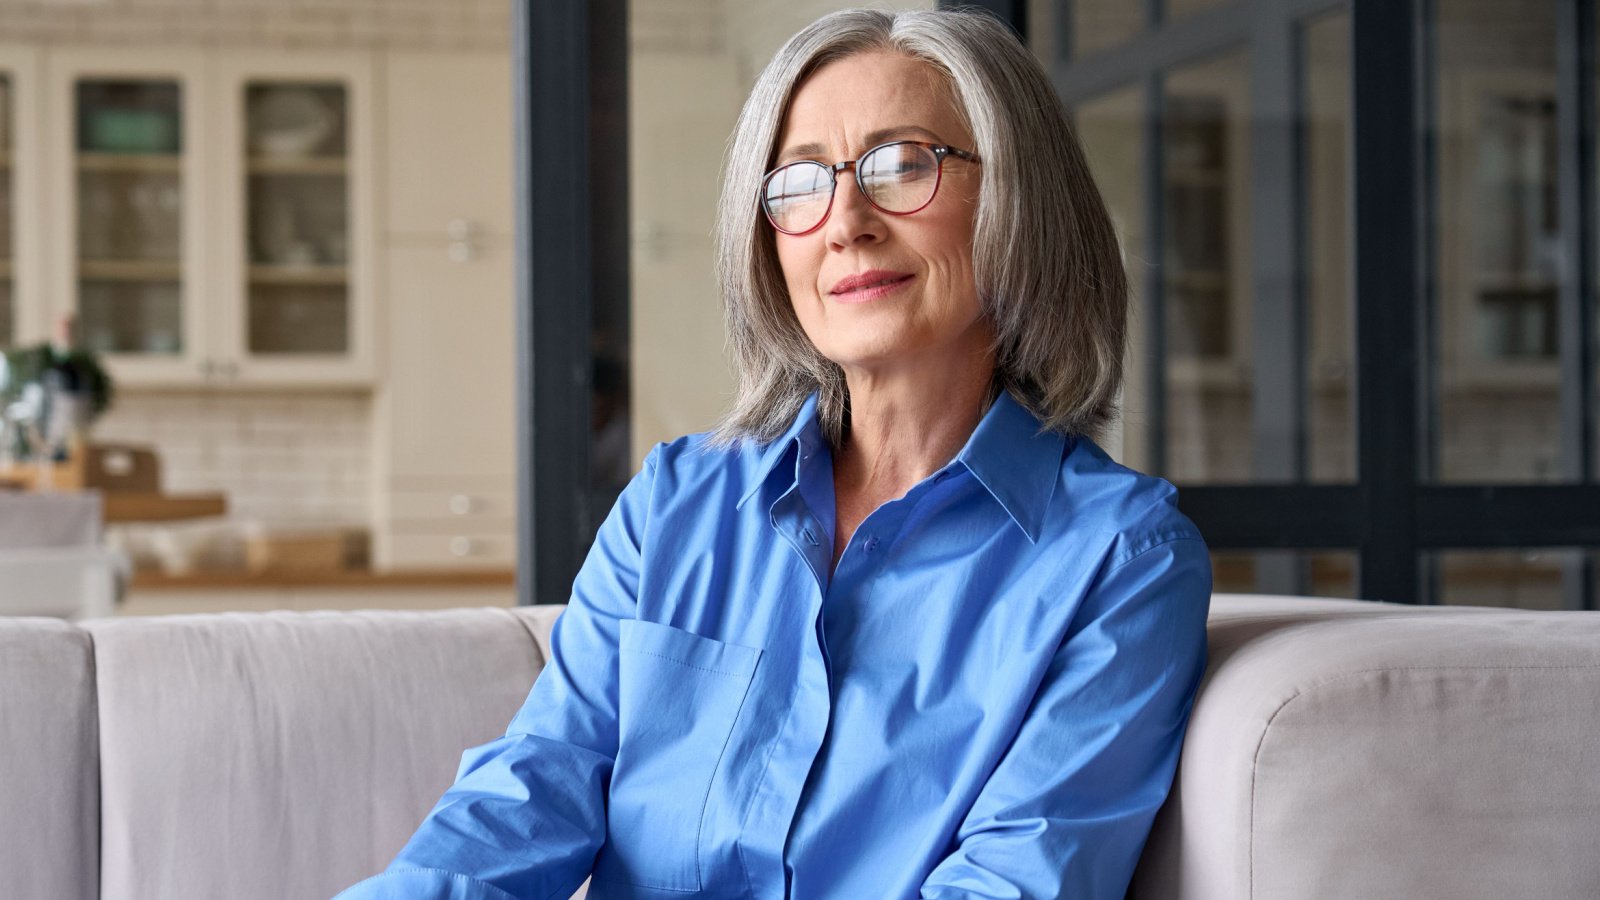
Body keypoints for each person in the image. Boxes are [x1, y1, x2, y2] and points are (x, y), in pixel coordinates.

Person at [338, 8, 1210, 899]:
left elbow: (1018, 880)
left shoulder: (1121, 560)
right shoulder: (674, 503)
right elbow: (534, 791)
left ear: (1022, 199)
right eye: (798, 183)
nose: (846, 222)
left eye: (903, 163)